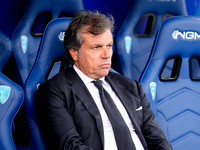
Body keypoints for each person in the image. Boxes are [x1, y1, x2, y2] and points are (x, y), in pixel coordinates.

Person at [36, 10, 172, 150]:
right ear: (75, 53)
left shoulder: (131, 86)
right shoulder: (54, 91)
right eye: (96, 47)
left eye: (109, 45)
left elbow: (158, 139)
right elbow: (70, 146)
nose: (107, 54)